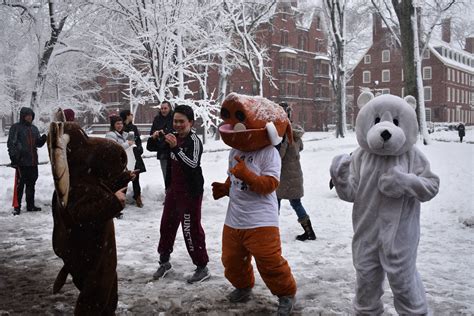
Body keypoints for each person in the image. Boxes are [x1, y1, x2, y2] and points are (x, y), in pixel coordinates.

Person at [212, 93, 297, 315]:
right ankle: (243, 286)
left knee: (269, 262)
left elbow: (270, 185)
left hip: (261, 221)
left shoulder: (269, 153)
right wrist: (225, 187)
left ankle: (286, 294)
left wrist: (247, 175)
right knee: (232, 260)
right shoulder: (235, 151)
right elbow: (234, 177)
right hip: (234, 219)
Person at [153, 105, 210, 284]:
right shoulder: (173, 137)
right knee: (166, 226)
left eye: (181, 122)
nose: (177, 125)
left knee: (190, 230)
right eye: (175, 121)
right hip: (174, 191)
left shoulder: (194, 141)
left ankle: (202, 267)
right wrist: (155, 138)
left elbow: (192, 164)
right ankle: (164, 262)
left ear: (190, 123)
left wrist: (176, 148)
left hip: (190, 193)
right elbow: (153, 148)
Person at [276, 104, 316, 241]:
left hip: (284, 177)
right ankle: (309, 231)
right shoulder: (294, 132)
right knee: (296, 203)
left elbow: (279, 156)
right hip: (295, 175)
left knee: (274, 203)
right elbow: (301, 148)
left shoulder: (284, 134)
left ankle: (270, 232)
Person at [7, 107, 47, 215]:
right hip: (21, 162)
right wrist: (14, 158)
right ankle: (17, 207)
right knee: (20, 185)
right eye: (27, 115)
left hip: (33, 161)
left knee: (31, 184)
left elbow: (37, 144)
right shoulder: (16, 128)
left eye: (31, 115)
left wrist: (43, 139)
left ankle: (30, 205)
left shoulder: (34, 129)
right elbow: (11, 144)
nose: (29, 117)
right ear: (23, 116)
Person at [120, 110, 146, 207]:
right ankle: (122, 197)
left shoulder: (133, 127)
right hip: (125, 155)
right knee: (124, 178)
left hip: (135, 154)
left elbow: (137, 139)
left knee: (136, 176)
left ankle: (137, 196)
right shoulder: (121, 127)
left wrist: (139, 148)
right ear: (127, 116)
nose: (132, 116)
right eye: (130, 114)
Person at [149, 101, 174, 182]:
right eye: (162, 108)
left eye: (165, 108)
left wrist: (166, 133)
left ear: (169, 108)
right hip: (162, 150)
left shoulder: (174, 118)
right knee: (166, 174)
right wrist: (155, 134)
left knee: (176, 174)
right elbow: (152, 133)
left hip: (174, 149)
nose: (163, 110)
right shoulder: (157, 119)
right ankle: (168, 191)